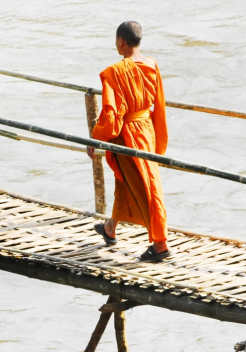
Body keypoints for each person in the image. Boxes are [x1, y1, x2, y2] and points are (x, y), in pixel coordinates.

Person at [88, 20, 170, 262]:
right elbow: (160, 105)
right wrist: (158, 135)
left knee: (146, 186)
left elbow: (112, 115)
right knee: (127, 182)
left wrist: (96, 138)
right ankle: (110, 228)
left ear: (121, 42)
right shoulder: (152, 65)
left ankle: (160, 244)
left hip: (127, 136)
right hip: (146, 128)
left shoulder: (113, 73)